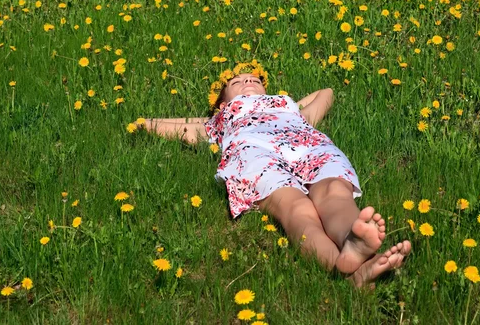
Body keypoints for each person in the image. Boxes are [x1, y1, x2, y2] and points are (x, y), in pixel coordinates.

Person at [143, 67, 411, 287]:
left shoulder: (289, 108)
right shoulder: (220, 120)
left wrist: (288, 104)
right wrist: (213, 113)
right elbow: (158, 124)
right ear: (222, 101)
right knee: (296, 207)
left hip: (306, 143)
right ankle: (344, 264)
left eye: (254, 79)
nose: (247, 81)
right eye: (236, 81)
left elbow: (326, 93)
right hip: (255, 153)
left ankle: (351, 241)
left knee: (334, 192)